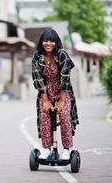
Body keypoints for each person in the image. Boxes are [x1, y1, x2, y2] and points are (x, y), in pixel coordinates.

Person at [31, 29, 79, 160]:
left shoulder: (62, 55)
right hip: (45, 92)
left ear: (56, 42)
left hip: (63, 92)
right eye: (46, 40)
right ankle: (46, 148)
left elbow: (65, 78)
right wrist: (45, 100)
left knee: (64, 116)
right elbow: (37, 79)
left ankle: (67, 150)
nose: (48, 43)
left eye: (51, 41)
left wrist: (62, 101)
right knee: (44, 117)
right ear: (41, 42)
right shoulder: (37, 57)